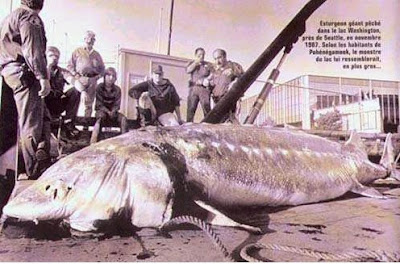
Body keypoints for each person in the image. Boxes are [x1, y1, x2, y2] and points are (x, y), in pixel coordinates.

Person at [0, 0, 51, 179]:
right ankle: (34, 172)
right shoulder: (29, 17)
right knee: (32, 124)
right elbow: (33, 50)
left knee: (42, 117)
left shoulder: (9, 17)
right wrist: (43, 77)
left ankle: (38, 158)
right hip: (24, 74)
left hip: (10, 73)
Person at [67, 30, 105, 120]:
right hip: (79, 78)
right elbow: (69, 65)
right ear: (84, 39)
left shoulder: (97, 55)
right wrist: (75, 75)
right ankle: (70, 123)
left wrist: (97, 77)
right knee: (75, 100)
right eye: (88, 38)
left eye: (92, 39)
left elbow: (102, 69)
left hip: (92, 80)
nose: (90, 41)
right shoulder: (77, 51)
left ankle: (85, 125)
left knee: (88, 104)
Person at [45, 46, 81, 139]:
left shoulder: (62, 71)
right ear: (45, 57)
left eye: (56, 56)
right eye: (51, 55)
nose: (54, 58)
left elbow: (70, 78)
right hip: (44, 104)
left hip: (58, 103)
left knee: (76, 91)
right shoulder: (41, 71)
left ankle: (69, 122)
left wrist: (77, 82)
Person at [90, 67, 128, 144]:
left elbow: (117, 105)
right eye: (109, 75)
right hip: (102, 111)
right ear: (105, 76)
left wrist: (113, 111)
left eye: (113, 76)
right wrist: (107, 111)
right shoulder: (99, 87)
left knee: (123, 119)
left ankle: (125, 142)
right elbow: (99, 104)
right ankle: (94, 142)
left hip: (113, 113)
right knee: (100, 118)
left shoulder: (117, 89)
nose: (111, 78)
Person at [207, 48, 244, 123]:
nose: (217, 61)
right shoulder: (214, 70)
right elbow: (211, 87)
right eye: (215, 59)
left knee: (231, 120)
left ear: (225, 57)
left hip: (229, 99)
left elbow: (243, 79)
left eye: (219, 58)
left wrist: (234, 77)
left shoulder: (233, 66)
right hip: (217, 101)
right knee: (219, 123)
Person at [186, 47, 213, 122]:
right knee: (191, 109)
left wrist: (206, 79)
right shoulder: (191, 63)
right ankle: (189, 125)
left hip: (204, 89)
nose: (201, 56)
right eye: (199, 55)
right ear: (195, 55)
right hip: (193, 88)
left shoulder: (208, 65)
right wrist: (196, 63)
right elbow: (188, 70)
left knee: (206, 109)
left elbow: (213, 74)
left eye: (203, 55)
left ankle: (208, 124)